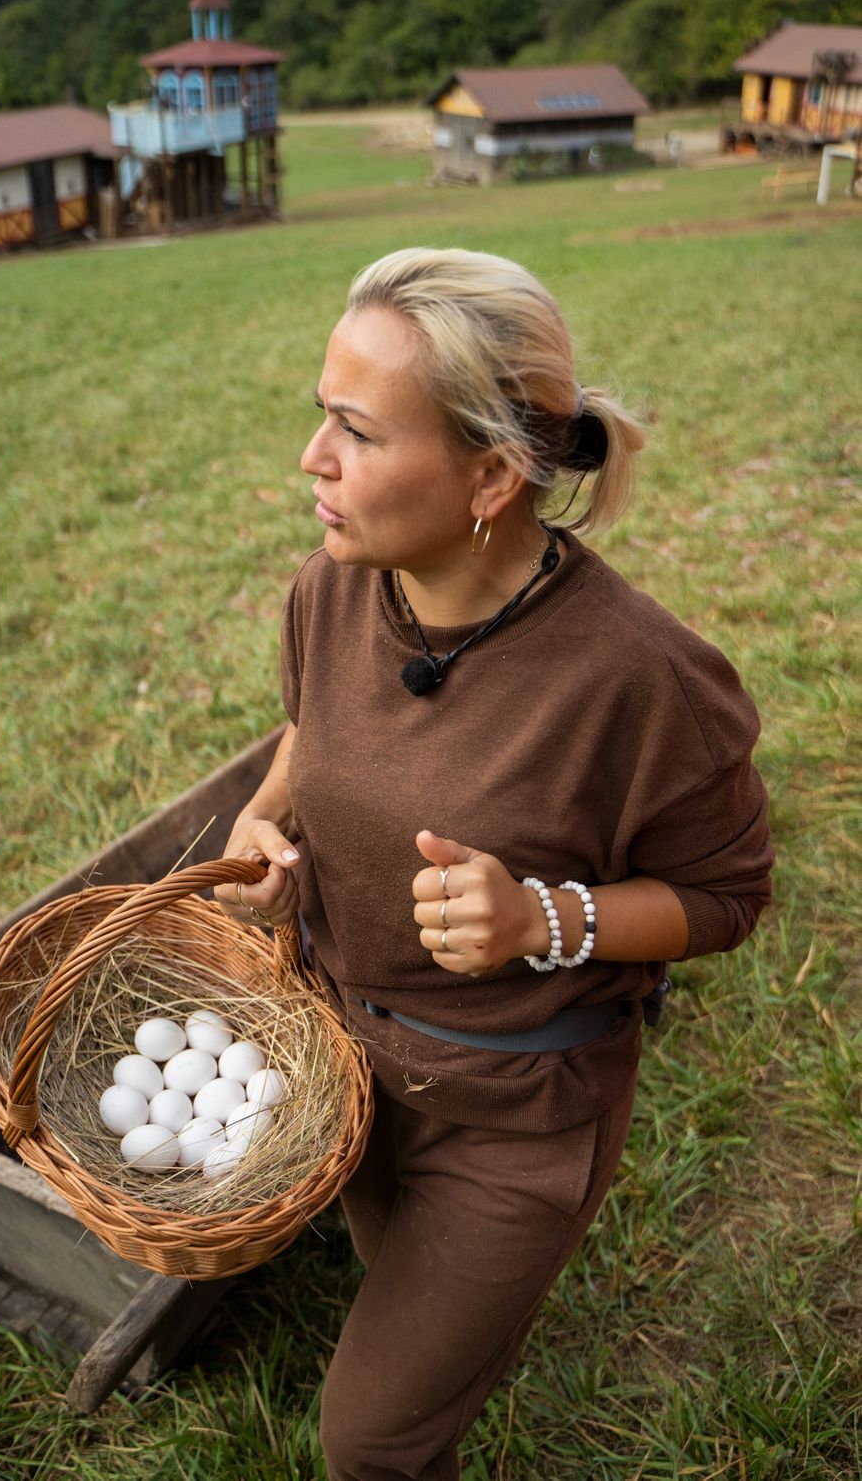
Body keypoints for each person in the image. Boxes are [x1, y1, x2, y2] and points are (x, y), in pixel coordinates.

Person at [214, 247, 773, 1480]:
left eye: (356, 432)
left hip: (516, 1114)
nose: (310, 460)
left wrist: (540, 921)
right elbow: (312, 727)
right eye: (320, 417)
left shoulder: (641, 681)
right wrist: (262, 822)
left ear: (490, 475)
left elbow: (727, 898)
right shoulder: (331, 589)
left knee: (367, 1442)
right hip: (343, 1064)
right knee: (390, 1276)